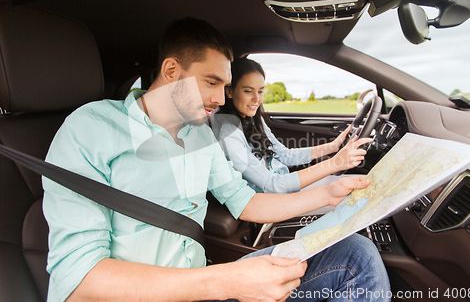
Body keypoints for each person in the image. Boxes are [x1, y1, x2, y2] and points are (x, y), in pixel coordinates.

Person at [42, 17, 390, 302]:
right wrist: (227, 280)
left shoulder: (201, 135)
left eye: (224, 86)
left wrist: (328, 194)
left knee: (355, 255)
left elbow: (244, 201)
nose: (220, 99)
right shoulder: (91, 129)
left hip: (200, 287)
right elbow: (81, 280)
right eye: (211, 82)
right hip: (149, 294)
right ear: (172, 70)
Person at [213, 58, 372, 194]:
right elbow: (271, 185)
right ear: (230, 92)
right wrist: (335, 162)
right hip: (271, 199)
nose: (256, 99)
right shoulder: (228, 133)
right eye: (248, 91)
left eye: (260, 91)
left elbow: (284, 155)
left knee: (362, 184)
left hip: (284, 185)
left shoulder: (253, 120)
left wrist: (332, 147)